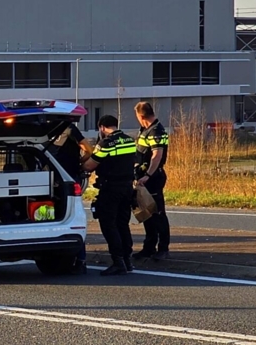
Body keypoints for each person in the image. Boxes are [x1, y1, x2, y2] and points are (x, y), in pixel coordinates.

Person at [83, 114, 136, 276]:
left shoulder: (105, 143)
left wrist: (81, 162)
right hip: (127, 188)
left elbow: (89, 166)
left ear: (102, 127)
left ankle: (118, 262)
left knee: (108, 224)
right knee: (122, 224)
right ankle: (127, 260)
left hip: (110, 189)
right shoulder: (129, 140)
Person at [51, 123, 92, 275]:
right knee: (71, 218)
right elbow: (88, 150)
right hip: (67, 178)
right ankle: (78, 259)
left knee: (65, 217)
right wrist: (78, 163)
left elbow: (89, 150)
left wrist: (79, 163)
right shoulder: (67, 130)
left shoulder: (52, 131)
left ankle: (79, 259)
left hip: (58, 179)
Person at [133, 101, 171, 261]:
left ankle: (163, 248)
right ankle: (148, 247)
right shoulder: (145, 129)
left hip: (153, 178)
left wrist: (148, 175)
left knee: (158, 213)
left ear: (141, 116)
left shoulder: (156, 131)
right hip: (143, 178)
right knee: (147, 214)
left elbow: (157, 156)